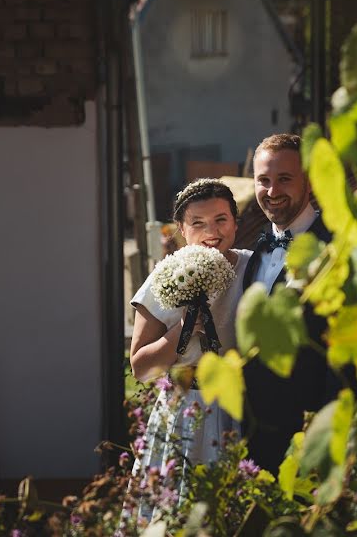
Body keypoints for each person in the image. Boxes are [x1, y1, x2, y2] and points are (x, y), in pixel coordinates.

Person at [128, 178, 253, 487]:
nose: (212, 232)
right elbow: (141, 368)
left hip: (240, 406)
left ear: (235, 223)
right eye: (198, 223)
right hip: (185, 409)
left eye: (220, 220)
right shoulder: (165, 277)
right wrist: (182, 330)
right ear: (181, 230)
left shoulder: (253, 267)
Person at [241, 133, 336, 473]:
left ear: (308, 180)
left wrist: (323, 436)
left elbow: (340, 353)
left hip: (306, 439)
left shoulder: (334, 250)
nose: (272, 191)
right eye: (263, 180)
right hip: (254, 436)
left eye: (284, 179)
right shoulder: (257, 251)